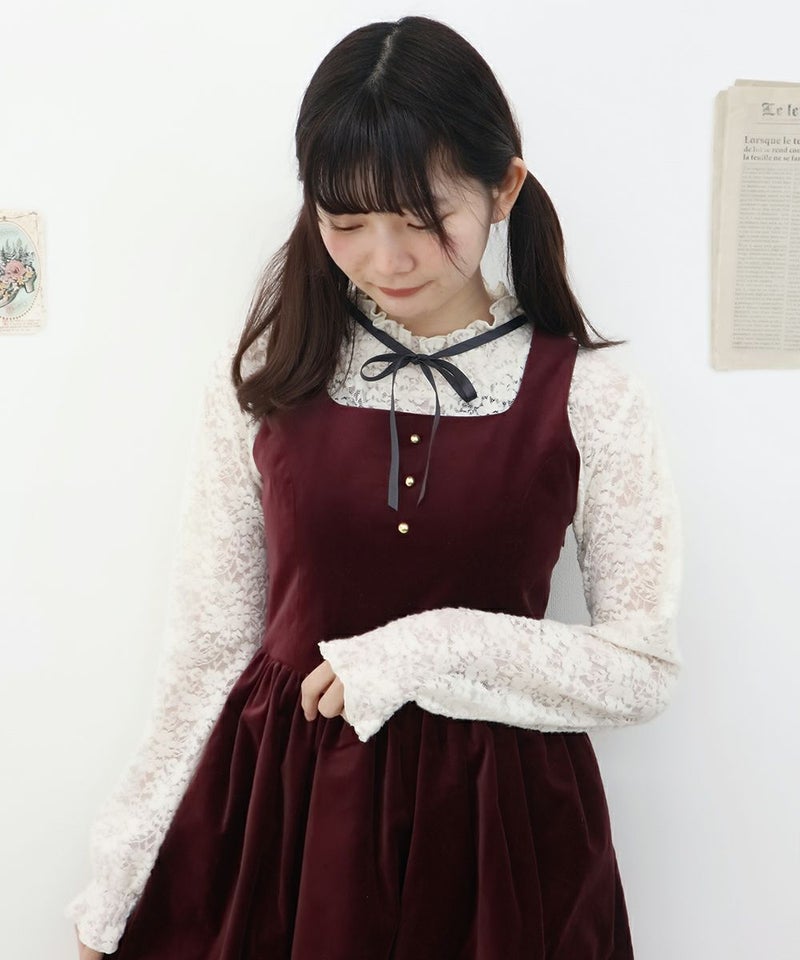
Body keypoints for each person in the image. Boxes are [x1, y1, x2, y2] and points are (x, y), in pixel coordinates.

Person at [69, 14, 682, 960]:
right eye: (346, 223)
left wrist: (421, 650)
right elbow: (208, 652)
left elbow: (642, 669)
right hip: (286, 820)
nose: (385, 260)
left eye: (422, 221)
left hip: (502, 834)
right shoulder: (271, 372)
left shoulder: (590, 394)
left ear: (504, 187)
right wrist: (117, 884)